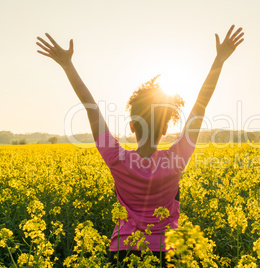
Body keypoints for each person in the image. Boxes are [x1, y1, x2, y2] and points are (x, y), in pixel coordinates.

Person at [36, 25, 244, 267]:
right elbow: (200, 106)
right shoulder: (176, 160)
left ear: (132, 126)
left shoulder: (117, 159)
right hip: (168, 251)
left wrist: (67, 65)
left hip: (125, 249)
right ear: (166, 129)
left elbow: (89, 106)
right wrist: (219, 59)